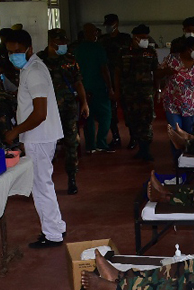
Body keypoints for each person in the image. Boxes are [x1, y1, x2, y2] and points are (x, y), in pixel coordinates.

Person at [3, 29, 67, 249]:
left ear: (29, 49)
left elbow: (40, 113)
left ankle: (52, 235)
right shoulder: (29, 68)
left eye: (17, 51)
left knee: (41, 186)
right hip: (38, 136)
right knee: (43, 184)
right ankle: (56, 227)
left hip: (39, 137)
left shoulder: (35, 71)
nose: (13, 56)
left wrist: (15, 131)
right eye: (10, 52)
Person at [37, 29, 89, 195]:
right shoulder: (39, 60)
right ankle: (45, 181)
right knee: (47, 144)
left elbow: (78, 82)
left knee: (71, 143)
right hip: (47, 109)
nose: (64, 45)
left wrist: (84, 103)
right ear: (52, 42)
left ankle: (72, 179)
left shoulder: (70, 59)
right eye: (61, 42)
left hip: (68, 107)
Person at [158, 37, 194, 160]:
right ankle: (177, 160)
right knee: (175, 132)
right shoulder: (172, 59)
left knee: (189, 133)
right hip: (172, 104)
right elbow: (157, 73)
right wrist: (166, 72)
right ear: (187, 49)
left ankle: (188, 160)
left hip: (190, 106)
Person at [116, 24, 159, 162]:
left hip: (146, 92)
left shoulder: (151, 52)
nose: (144, 40)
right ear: (134, 38)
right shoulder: (123, 52)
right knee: (132, 120)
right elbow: (117, 72)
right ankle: (137, 143)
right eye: (141, 38)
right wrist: (116, 91)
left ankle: (145, 150)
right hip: (129, 93)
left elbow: (156, 72)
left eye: (146, 37)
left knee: (147, 120)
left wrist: (157, 90)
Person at [72, 23, 114, 154]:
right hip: (99, 88)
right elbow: (104, 69)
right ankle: (101, 142)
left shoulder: (77, 49)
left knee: (87, 117)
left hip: (83, 88)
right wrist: (110, 87)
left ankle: (90, 145)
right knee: (106, 115)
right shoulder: (98, 48)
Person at [100, 14, 131, 148]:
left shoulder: (125, 39)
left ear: (116, 23)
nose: (108, 27)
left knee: (128, 110)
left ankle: (133, 137)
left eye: (110, 24)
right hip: (107, 79)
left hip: (125, 79)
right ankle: (116, 137)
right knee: (111, 112)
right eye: (106, 24)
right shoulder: (102, 40)